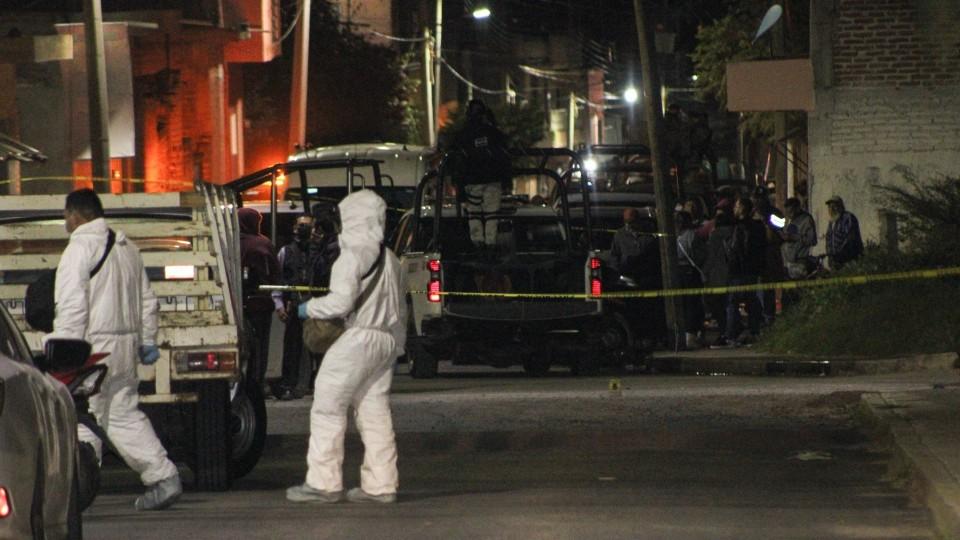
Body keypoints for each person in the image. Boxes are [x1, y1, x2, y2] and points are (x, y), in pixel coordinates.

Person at [48, 188, 181, 511]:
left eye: (66, 216)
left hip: (93, 347)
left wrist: (65, 351)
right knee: (119, 413)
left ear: (75, 215)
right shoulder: (127, 248)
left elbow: (72, 305)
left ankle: (78, 490)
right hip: (125, 347)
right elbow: (147, 301)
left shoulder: (79, 249)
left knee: (82, 414)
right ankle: (163, 477)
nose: (65, 222)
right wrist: (147, 341)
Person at [286, 189, 406, 505]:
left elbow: (340, 304)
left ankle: (323, 484)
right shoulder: (392, 259)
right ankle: (381, 486)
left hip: (358, 338)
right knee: (375, 413)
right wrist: (397, 348)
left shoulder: (351, 255)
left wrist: (308, 308)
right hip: (385, 340)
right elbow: (401, 311)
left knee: (328, 404)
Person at [452, 99, 512, 250]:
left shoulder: (463, 135)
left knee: (475, 215)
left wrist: (459, 186)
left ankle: (478, 244)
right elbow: (505, 156)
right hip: (492, 181)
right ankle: (489, 244)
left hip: (473, 182)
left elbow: (456, 161)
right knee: (491, 215)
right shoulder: (493, 133)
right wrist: (506, 180)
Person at [272, 214, 319, 400]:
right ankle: (289, 384)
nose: (304, 229)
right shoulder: (286, 251)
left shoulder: (318, 251)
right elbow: (278, 279)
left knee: (316, 345)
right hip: (294, 303)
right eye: (301, 225)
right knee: (293, 346)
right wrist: (279, 304)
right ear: (294, 228)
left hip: (315, 304)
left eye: (308, 226)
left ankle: (311, 384)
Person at [713, 197, 766, 348]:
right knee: (752, 300)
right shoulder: (758, 226)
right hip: (753, 270)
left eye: (736, 206)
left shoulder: (738, 228)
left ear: (742, 208)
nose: (734, 209)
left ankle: (731, 335)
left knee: (732, 303)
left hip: (738, 271)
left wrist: (730, 259)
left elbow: (736, 250)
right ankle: (754, 331)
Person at [238, 207, 280, 389]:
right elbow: (275, 274)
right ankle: (256, 382)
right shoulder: (263, 244)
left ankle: (239, 383)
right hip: (260, 304)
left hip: (234, 304)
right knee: (260, 346)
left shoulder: (229, 243)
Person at [676, 211, 707, 349]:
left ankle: (684, 334)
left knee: (683, 304)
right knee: (693, 304)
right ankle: (691, 335)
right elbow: (701, 255)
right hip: (691, 272)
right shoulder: (692, 235)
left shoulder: (673, 236)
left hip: (678, 273)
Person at [780, 197, 818, 279]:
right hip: (787, 263)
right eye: (787, 212)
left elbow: (812, 240)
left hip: (800, 262)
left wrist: (794, 237)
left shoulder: (806, 220)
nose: (789, 215)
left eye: (791, 212)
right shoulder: (788, 221)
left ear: (797, 208)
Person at [825, 196, 863, 270]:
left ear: (840, 207)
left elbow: (849, 239)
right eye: (829, 207)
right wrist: (830, 258)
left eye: (834, 206)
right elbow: (828, 242)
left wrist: (838, 255)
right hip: (835, 263)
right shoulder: (831, 222)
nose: (831, 209)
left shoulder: (848, 218)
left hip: (849, 261)